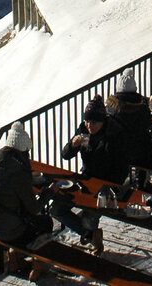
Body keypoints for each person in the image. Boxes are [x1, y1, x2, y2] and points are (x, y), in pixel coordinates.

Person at [0, 122, 51, 279]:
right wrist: (51, 192)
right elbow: (34, 208)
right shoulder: (18, 173)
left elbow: (5, 188)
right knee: (45, 223)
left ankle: (14, 259)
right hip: (9, 231)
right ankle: (37, 267)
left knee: (19, 218)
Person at [53, 97, 116, 253]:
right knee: (56, 210)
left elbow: (119, 166)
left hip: (104, 183)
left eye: (93, 122)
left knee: (90, 217)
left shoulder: (111, 135)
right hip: (84, 179)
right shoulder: (83, 130)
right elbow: (65, 155)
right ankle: (91, 234)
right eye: (87, 121)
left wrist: (111, 188)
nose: (89, 125)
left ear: (102, 121)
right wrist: (72, 146)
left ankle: (93, 239)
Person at [106, 69, 152, 175]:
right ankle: (142, 181)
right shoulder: (141, 107)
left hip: (116, 150)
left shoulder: (110, 108)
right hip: (139, 150)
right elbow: (148, 124)